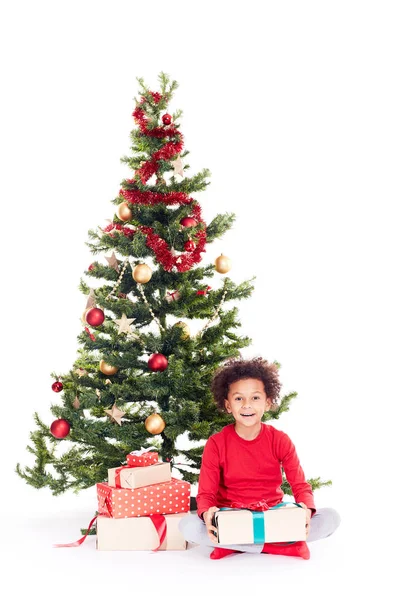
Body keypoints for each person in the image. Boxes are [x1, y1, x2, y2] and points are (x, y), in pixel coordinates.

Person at [179, 357, 340, 559]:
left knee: (331, 518)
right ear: (228, 405)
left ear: (268, 402)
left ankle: (234, 545)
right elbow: (206, 495)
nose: (247, 405)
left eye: (255, 398)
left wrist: (307, 510)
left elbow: (300, 486)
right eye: (239, 399)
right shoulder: (216, 443)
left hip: (271, 516)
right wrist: (207, 514)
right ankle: (279, 546)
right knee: (188, 526)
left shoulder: (280, 440)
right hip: (232, 517)